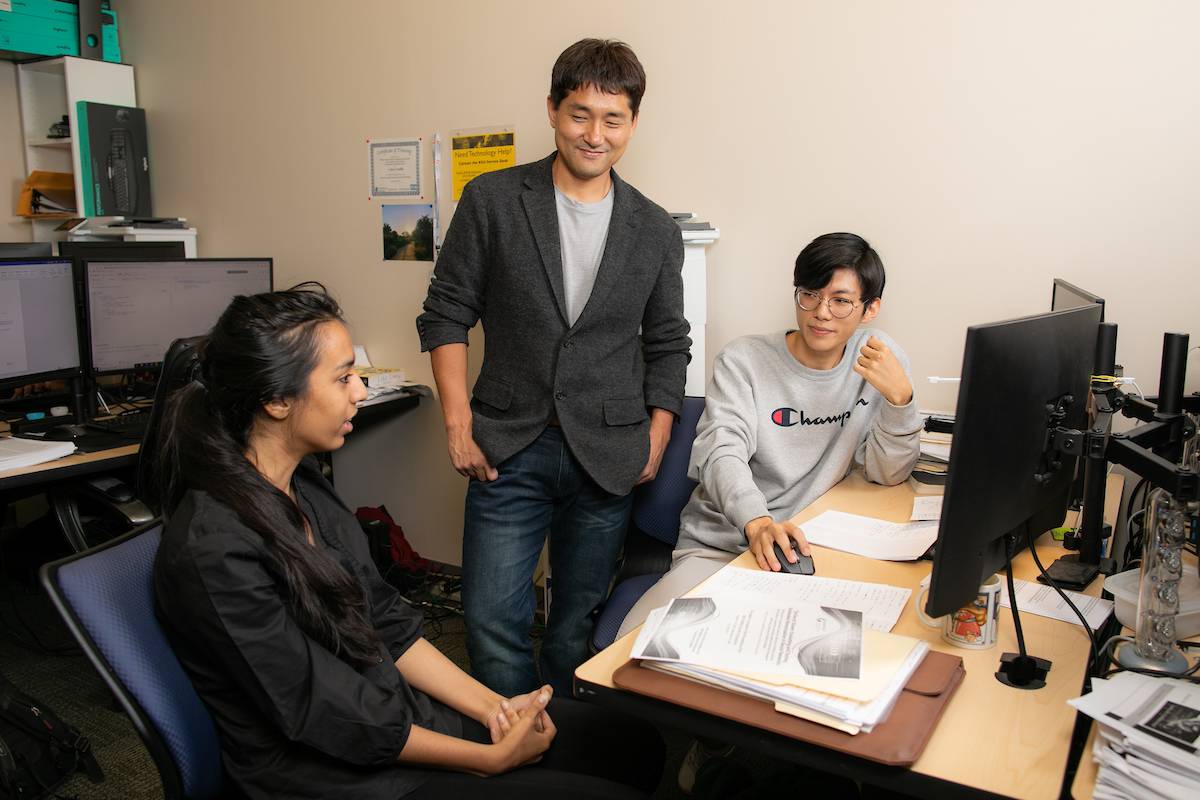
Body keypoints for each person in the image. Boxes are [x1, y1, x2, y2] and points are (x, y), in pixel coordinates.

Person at [153, 287, 664, 800]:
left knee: (629, 743)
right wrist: (486, 761)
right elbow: (318, 709)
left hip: (389, 713)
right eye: (343, 377)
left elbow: (387, 625)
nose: (359, 391)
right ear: (277, 400)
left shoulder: (304, 486)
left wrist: (497, 711)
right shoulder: (213, 546)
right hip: (328, 772)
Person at [417, 38, 690, 696]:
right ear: (552, 110)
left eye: (612, 118)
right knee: (491, 620)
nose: (594, 134)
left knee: (576, 623)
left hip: (608, 453)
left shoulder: (654, 229)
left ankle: (564, 743)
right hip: (509, 444)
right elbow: (445, 313)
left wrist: (655, 435)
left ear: (632, 123)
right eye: (579, 113)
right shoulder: (492, 200)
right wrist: (457, 422)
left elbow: (668, 341)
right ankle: (515, 744)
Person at [618, 232, 923, 640]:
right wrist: (757, 522)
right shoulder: (744, 359)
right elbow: (721, 451)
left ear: (870, 309)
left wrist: (901, 400)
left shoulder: (877, 358)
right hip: (725, 545)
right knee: (637, 646)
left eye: (841, 300)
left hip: (814, 552)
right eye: (809, 295)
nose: (821, 313)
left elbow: (886, 474)